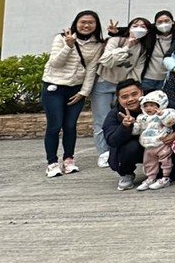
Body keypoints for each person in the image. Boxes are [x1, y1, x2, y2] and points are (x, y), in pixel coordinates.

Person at [40, 10, 106, 177]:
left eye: (91, 22)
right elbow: (55, 63)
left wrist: (84, 92)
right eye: (83, 22)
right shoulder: (61, 38)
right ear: (76, 23)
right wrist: (68, 46)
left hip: (76, 90)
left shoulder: (97, 45)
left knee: (70, 126)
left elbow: (91, 70)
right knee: (54, 126)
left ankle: (68, 159)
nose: (86, 25)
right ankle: (52, 163)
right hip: (54, 87)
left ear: (96, 25)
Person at [95, 17, 155, 167]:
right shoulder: (116, 40)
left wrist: (131, 89)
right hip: (104, 82)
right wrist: (127, 45)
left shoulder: (142, 48)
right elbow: (107, 61)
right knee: (101, 118)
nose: (139, 28)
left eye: (143, 26)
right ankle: (103, 152)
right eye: (136, 25)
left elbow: (136, 71)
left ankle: (115, 150)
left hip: (123, 87)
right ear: (129, 27)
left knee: (120, 116)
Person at [101, 79, 146, 190]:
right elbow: (111, 140)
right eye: (125, 97)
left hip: (157, 145)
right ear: (118, 99)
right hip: (134, 148)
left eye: (134, 94)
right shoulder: (115, 113)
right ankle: (126, 173)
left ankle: (163, 172)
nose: (130, 99)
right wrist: (124, 126)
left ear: (142, 92)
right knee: (130, 147)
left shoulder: (158, 103)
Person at [134, 90, 175, 191]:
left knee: (166, 161)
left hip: (162, 143)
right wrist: (133, 125)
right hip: (148, 145)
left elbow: (171, 120)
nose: (148, 108)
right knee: (149, 162)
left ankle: (166, 177)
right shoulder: (142, 117)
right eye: (146, 106)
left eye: (152, 105)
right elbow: (137, 130)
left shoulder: (166, 113)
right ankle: (151, 178)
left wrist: (162, 114)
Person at [143, 11, 175, 93]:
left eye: (167, 21)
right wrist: (116, 32)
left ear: (172, 22)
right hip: (148, 78)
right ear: (155, 24)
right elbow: (131, 31)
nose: (163, 24)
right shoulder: (150, 35)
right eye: (160, 22)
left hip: (167, 79)